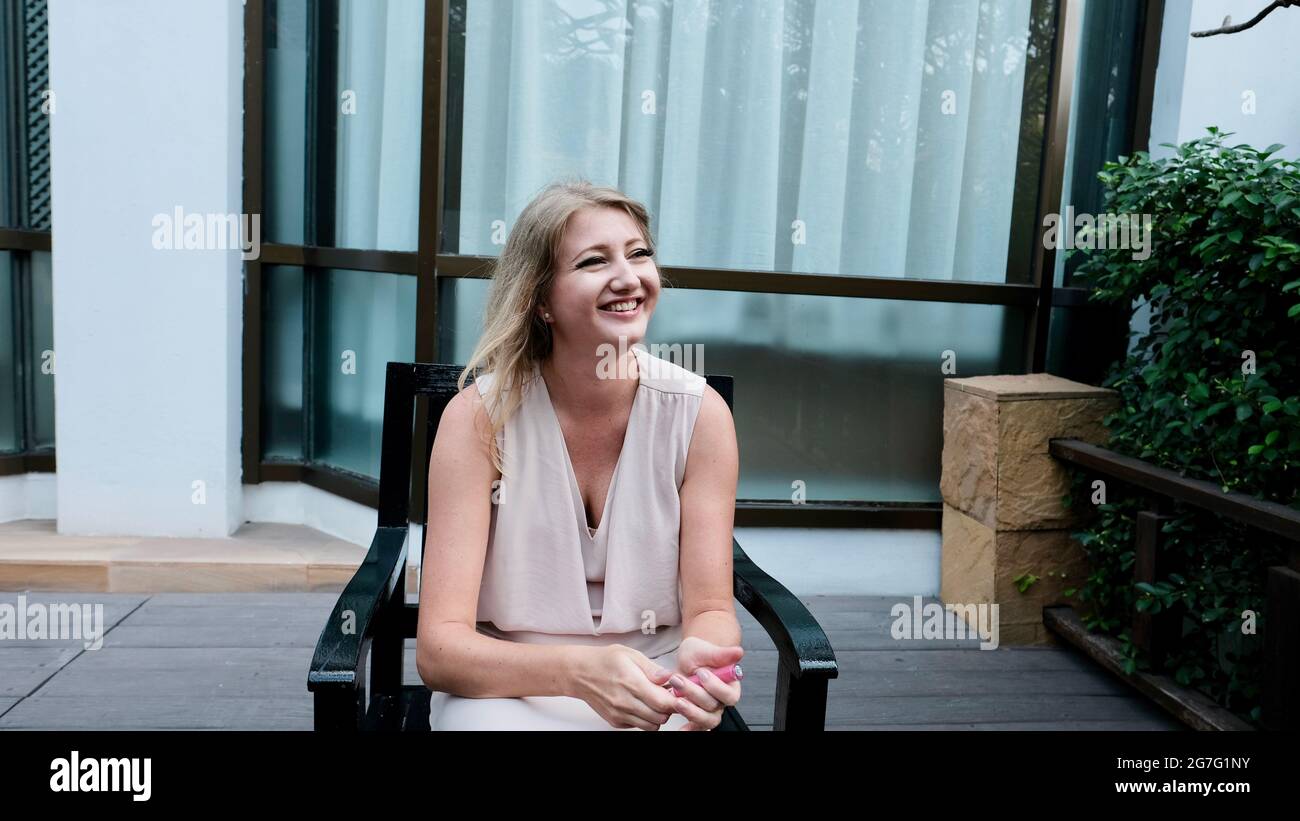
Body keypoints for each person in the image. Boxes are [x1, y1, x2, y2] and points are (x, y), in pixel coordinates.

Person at [416, 180, 744, 730]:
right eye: (594, 261)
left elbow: (712, 610)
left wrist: (702, 664)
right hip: (506, 690)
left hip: (655, 684)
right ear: (540, 300)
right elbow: (440, 650)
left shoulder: (699, 415)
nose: (629, 277)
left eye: (639, 253)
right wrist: (578, 672)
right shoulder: (477, 419)